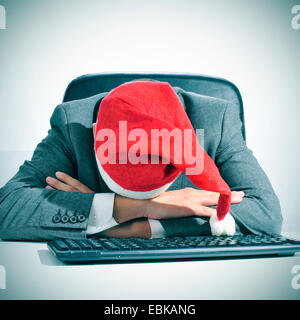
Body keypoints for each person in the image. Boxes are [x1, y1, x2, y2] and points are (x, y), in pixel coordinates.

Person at [0, 80, 283, 241]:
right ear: (99, 134)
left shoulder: (216, 119)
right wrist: (137, 207)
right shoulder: (74, 122)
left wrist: (135, 228)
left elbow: (266, 214)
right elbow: (8, 207)